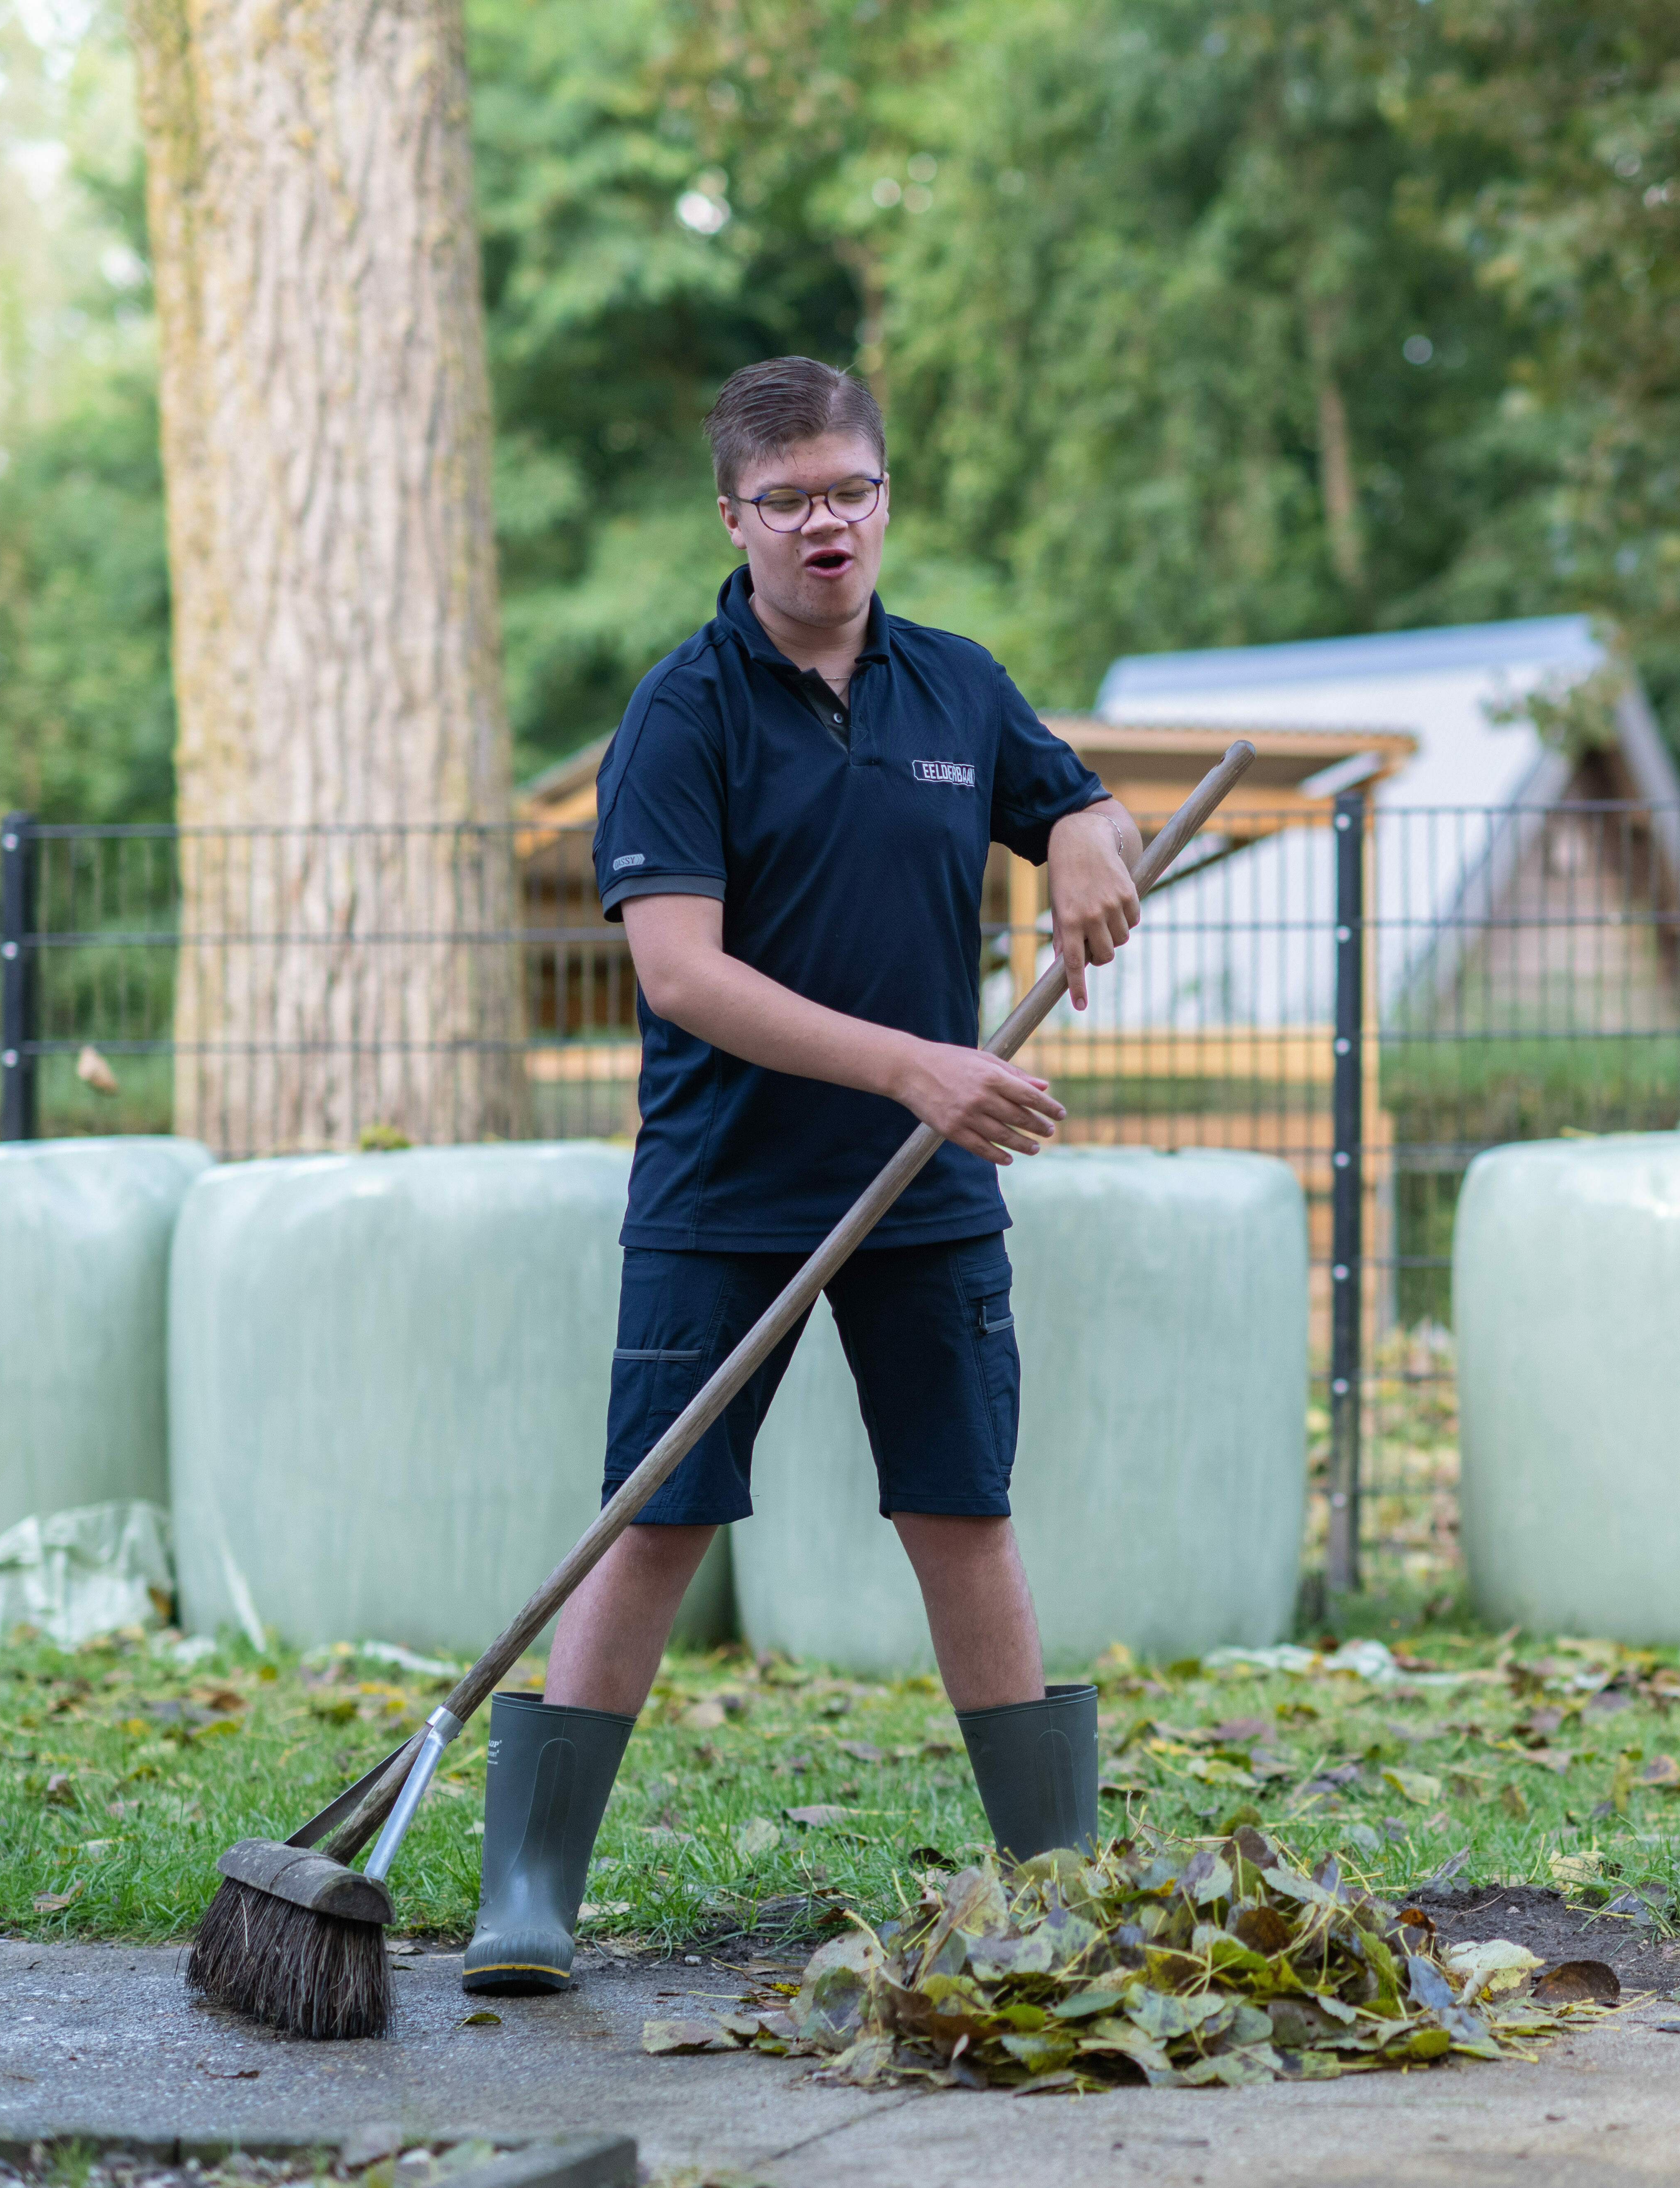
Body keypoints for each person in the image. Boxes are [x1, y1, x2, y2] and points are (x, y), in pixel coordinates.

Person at [464, 356, 1144, 1996]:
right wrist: (915, 1061)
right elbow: (684, 975)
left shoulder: (956, 686)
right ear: (735, 518)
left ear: (882, 497)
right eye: (788, 499)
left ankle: (1048, 1885)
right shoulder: (681, 712)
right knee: (653, 1521)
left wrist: (1086, 837)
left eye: (850, 489)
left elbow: (1068, 799)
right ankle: (532, 1889)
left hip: (925, 1192)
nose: (825, 523)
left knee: (959, 1512)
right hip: (725, 1189)